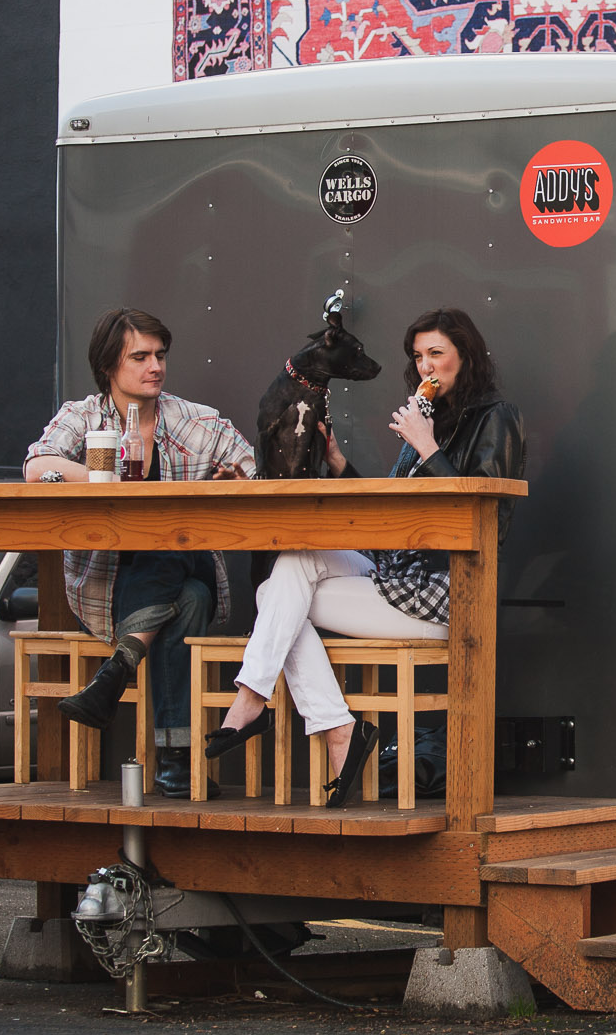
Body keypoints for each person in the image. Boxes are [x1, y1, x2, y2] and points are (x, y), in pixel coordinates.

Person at [203, 308, 525, 806]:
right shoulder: (432, 412)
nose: (425, 367)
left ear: (466, 356)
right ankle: (314, 722)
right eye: (418, 357)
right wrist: (340, 466)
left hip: (450, 591)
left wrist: (426, 446)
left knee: (276, 600)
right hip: (397, 571)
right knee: (287, 568)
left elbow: (488, 520)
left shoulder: (495, 416)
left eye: (436, 354)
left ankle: (287, 713)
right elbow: (394, 515)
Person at [24, 308, 254, 798]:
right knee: (188, 598)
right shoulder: (82, 417)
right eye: (141, 356)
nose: (156, 367)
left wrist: (232, 482)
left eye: (160, 356)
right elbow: (37, 467)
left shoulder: (197, 421)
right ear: (110, 365)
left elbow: (248, 468)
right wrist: (103, 478)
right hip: (107, 587)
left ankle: (117, 673)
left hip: (182, 557)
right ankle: (175, 762)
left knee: (170, 538)